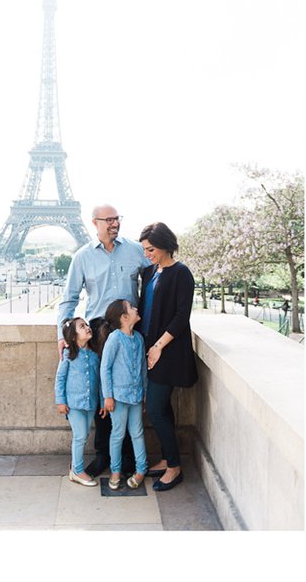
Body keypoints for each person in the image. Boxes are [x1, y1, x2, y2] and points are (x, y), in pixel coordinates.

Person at [56, 204, 149, 477]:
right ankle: (104, 453)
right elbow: (70, 299)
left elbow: (156, 276)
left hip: (128, 331)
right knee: (103, 393)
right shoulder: (82, 257)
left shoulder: (135, 250)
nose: (114, 223)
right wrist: (63, 334)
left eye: (116, 218)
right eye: (108, 220)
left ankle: (128, 456)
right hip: (97, 331)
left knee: (128, 388)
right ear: (94, 223)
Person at [137, 222, 198, 491]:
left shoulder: (181, 273)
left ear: (164, 245)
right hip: (148, 347)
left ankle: (174, 467)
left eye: (150, 249)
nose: (147, 254)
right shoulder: (149, 272)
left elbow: (181, 316)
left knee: (155, 408)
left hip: (168, 352)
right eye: (144, 249)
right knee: (163, 408)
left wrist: (159, 346)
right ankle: (165, 457)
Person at [98, 299, 149, 490]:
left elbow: (143, 368)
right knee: (118, 434)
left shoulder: (138, 338)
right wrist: (108, 396)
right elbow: (106, 368)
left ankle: (141, 469)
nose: (136, 309)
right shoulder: (115, 338)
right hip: (118, 398)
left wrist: (144, 393)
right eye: (132, 308)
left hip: (136, 396)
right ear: (124, 317)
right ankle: (116, 470)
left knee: (137, 433)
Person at [54, 316, 101, 487]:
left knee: (84, 434)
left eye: (87, 325)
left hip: (90, 403)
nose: (87, 328)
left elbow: (100, 381)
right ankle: (77, 470)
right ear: (74, 336)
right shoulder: (68, 355)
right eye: (82, 327)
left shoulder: (95, 355)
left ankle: (75, 465)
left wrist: (102, 402)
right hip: (73, 404)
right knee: (80, 435)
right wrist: (60, 401)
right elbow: (60, 379)